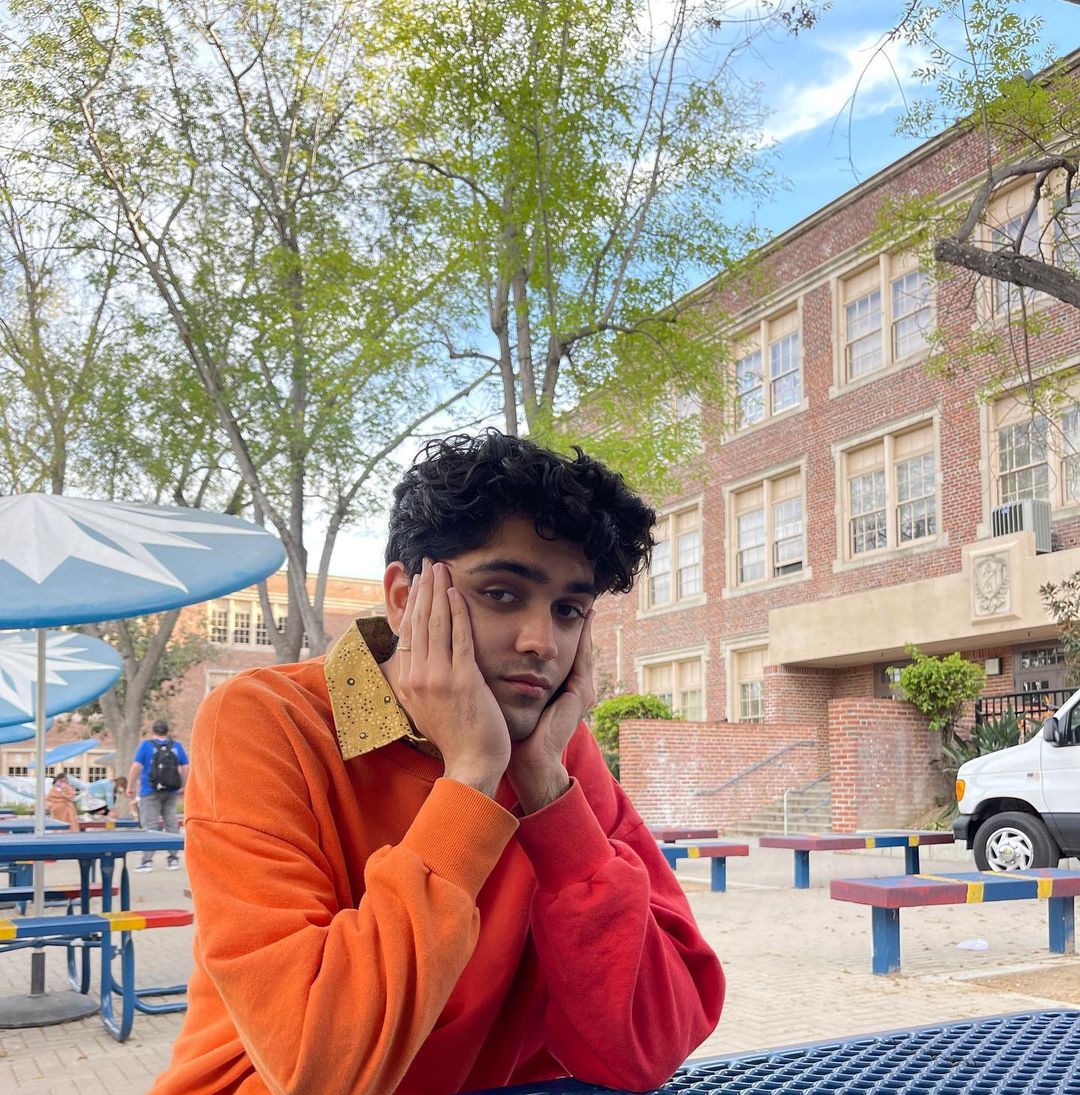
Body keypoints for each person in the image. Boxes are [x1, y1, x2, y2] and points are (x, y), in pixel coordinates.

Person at [152, 431, 724, 1095]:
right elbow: (321, 1070)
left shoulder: (553, 754)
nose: (542, 642)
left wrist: (547, 791)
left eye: (570, 609)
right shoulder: (267, 720)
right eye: (502, 593)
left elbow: (648, 1049)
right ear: (403, 598)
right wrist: (472, 775)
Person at [128, 719, 188, 871]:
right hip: (171, 791)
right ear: (167, 731)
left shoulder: (146, 746)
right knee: (172, 824)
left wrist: (130, 786)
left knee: (150, 825)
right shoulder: (176, 746)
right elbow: (186, 766)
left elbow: (136, 767)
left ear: (153, 731)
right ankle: (173, 859)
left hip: (150, 791)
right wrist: (183, 785)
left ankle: (147, 860)